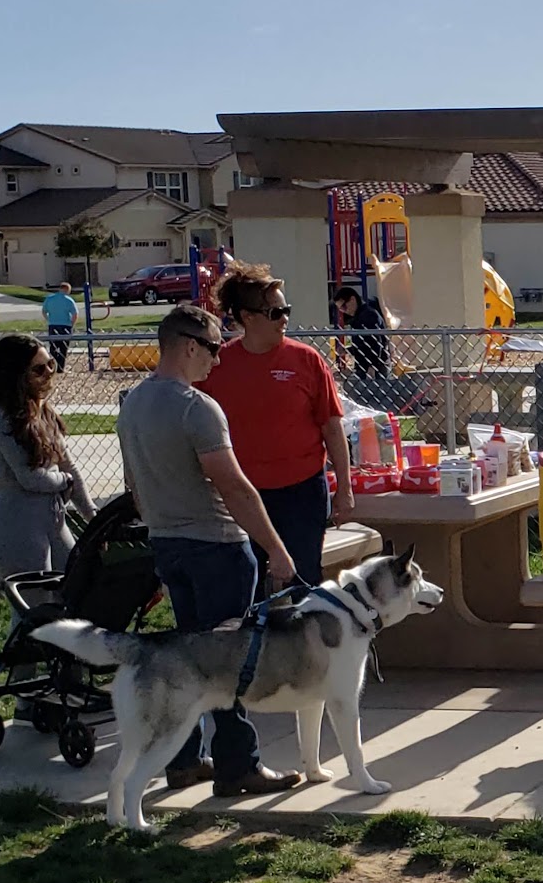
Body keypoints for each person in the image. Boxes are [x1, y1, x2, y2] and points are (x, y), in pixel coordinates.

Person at [119, 304, 302, 799]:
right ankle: (240, 766)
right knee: (230, 665)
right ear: (188, 346)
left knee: (189, 663)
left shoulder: (133, 404)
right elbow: (234, 487)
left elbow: (134, 485)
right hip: (216, 547)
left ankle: (184, 761)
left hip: (167, 544)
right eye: (214, 348)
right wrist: (277, 549)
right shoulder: (196, 408)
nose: (218, 360)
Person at [203, 262, 354, 589]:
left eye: (286, 310)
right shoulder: (217, 366)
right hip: (243, 494)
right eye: (275, 313)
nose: (285, 319)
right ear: (247, 317)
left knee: (304, 581)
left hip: (303, 491)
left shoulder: (307, 360)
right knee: (248, 583)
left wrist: (344, 487)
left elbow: (332, 427)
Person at [0, 333, 92, 579]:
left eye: (51, 364)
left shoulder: (44, 411)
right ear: (16, 376)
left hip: (51, 524)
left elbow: (68, 465)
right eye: (39, 369)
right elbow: (30, 478)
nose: (49, 373)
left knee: (79, 586)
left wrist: (92, 516)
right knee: (38, 601)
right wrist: (65, 481)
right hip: (16, 530)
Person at [332, 286, 391, 381]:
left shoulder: (368, 315)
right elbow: (362, 344)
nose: (344, 311)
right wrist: (348, 350)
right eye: (341, 309)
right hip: (365, 365)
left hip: (376, 366)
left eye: (344, 307)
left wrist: (372, 366)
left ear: (352, 300)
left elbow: (375, 343)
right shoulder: (359, 317)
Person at [42, 283, 77, 373]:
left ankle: (53, 366)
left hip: (53, 325)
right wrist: (72, 324)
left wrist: (49, 319)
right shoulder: (69, 300)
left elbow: (44, 311)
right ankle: (60, 368)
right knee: (63, 348)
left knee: (53, 347)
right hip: (65, 326)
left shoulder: (49, 299)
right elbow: (75, 314)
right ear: (67, 290)